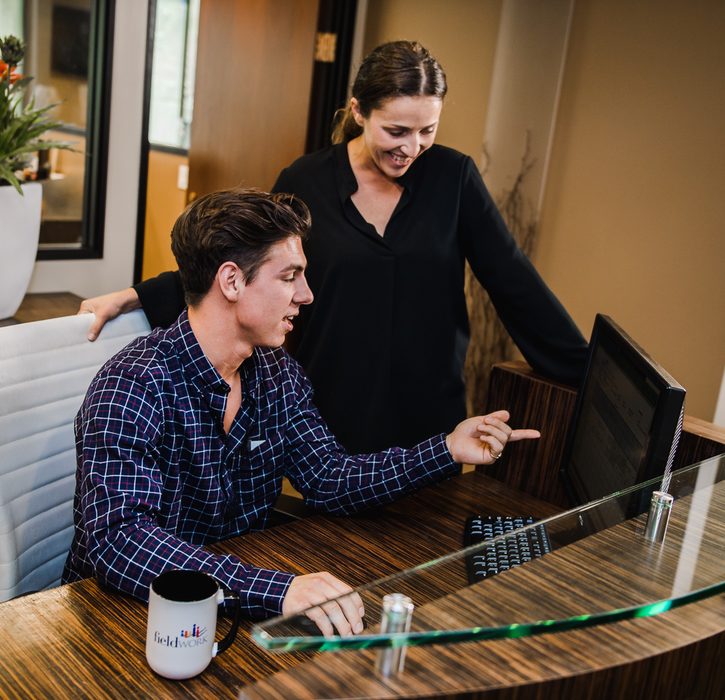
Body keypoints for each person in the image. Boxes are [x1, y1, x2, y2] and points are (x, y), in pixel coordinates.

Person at [63, 188, 540, 636]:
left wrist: (447, 448)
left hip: (220, 610)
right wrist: (278, 590)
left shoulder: (277, 373)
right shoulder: (133, 384)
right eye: (290, 276)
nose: (306, 294)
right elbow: (120, 543)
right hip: (116, 617)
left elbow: (328, 477)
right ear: (231, 280)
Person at [80, 40, 587, 454]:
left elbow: (514, 281)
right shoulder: (307, 179)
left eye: (427, 131)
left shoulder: (454, 177)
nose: (411, 148)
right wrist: (135, 296)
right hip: (331, 409)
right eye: (396, 130)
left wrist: (591, 375)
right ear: (358, 111)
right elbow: (242, 262)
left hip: (428, 408)